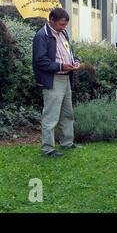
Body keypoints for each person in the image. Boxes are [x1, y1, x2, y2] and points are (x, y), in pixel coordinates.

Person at [32, 8, 80, 157]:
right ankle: (48, 149)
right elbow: (40, 61)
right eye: (60, 24)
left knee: (67, 113)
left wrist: (75, 61)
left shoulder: (63, 33)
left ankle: (67, 143)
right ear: (51, 20)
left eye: (65, 25)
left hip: (66, 78)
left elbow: (69, 51)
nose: (63, 27)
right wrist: (60, 66)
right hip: (53, 79)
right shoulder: (41, 36)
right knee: (51, 116)